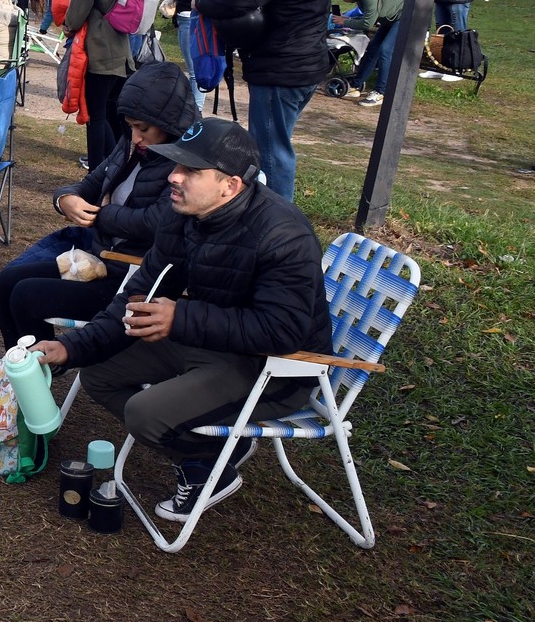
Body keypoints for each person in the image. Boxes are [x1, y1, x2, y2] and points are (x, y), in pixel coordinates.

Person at [29, 117, 331, 522]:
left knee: (144, 413)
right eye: (176, 165)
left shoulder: (282, 235)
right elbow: (138, 297)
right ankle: (212, 456)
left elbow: (283, 331)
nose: (174, 176)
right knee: (96, 374)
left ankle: (207, 466)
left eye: (191, 170)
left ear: (230, 184)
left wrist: (181, 317)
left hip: (274, 369)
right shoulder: (182, 215)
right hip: (212, 342)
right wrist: (70, 346)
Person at [0, 61, 197, 348]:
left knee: (26, 296)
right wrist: (65, 199)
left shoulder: (185, 165)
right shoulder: (131, 145)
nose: (136, 136)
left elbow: (157, 222)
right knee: (6, 282)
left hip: (133, 278)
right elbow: (90, 183)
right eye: (130, 127)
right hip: (101, 259)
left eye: (144, 129)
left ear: (171, 125)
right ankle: (20, 376)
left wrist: (102, 214)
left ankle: (33, 379)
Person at [193, 0, 338, 201]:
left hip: (282, 70)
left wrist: (200, 1)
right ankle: (273, 218)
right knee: (274, 147)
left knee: (271, 154)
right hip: (303, 64)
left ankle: (276, 228)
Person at [65, 0, 134, 168]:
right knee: (112, 116)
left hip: (100, 53)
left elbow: (74, 16)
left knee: (96, 116)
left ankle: (97, 170)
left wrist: (67, 24)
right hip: (122, 52)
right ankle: (116, 166)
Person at [335, 0, 405, 107]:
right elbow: (370, 15)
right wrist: (349, 18)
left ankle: (380, 92)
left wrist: (344, 21)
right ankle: (355, 86)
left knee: (385, 50)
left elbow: (367, 23)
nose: (344, 1)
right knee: (373, 48)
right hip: (390, 18)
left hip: (404, 16)